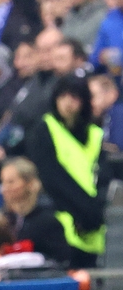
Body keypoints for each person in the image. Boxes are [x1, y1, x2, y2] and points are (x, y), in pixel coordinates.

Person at [26, 75, 107, 269]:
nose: (68, 103)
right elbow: (52, 177)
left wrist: (93, 210)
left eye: (74, 97)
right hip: (61, 213)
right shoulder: (45, 129)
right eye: (63, 97)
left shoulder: (95, 135)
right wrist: (84, 210)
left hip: (92, 217)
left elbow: (102, 176)